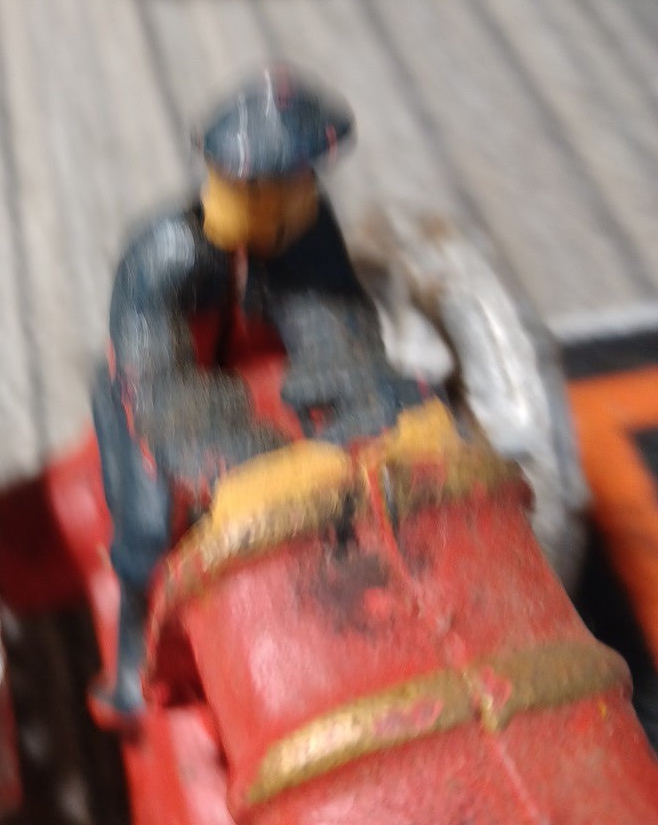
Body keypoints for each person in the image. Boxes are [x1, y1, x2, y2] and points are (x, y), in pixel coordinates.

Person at [92, 64, 430, 716]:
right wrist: (242, 453)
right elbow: (153, 379)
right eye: (262, 187)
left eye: (296, 183)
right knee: (145, 527)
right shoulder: (161, 253)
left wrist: (358, 410)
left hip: (259, 373)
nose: (282, 200)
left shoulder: (307, 231)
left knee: (385, 434)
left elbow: (338, 327)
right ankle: (133, 661)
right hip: (156, 396)